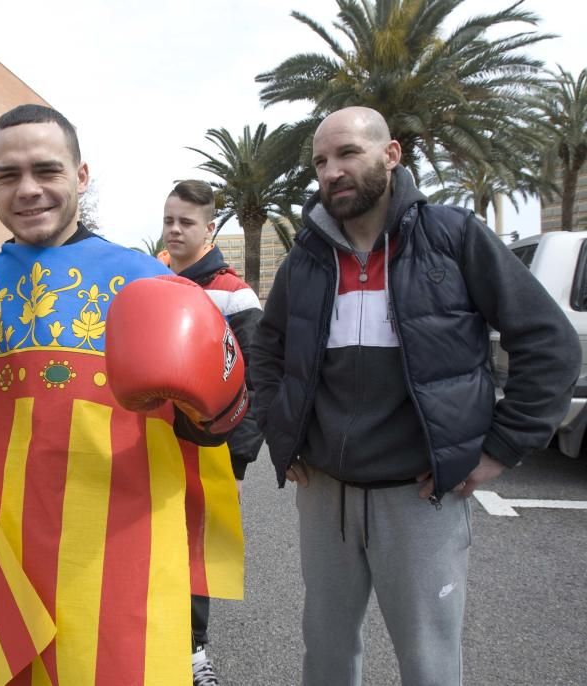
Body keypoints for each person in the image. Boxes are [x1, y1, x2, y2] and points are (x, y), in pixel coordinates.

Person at [0, 104, 247, 685]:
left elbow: (220, 431)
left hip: (120, 559)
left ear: (81, 175)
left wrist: (212, 408)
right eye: (8, 175)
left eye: (46, 170)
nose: (28, 190)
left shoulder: (148, 283)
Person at [249, 106, 581, 686]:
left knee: (428, 662)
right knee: (325, 656)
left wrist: (497, 449)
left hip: (420, 496)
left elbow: (549, 343)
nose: (332, 172)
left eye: (348, 153)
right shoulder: (306, 256)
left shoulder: (452, 237)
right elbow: (268, 351)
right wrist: (283, 433)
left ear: (391, 154)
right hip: (324, 491)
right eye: (321, 162)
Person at [161, 179, 263, 685]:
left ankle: (194, 654)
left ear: (210, 228)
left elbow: (258, 380)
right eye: (169, 220)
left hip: (208, 453)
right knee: (151, 544)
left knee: (194, 553)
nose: (175, 230)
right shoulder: (151, 278)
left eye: (186, 222)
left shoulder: (234, 294)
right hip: (151, 448)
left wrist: (237, 464)